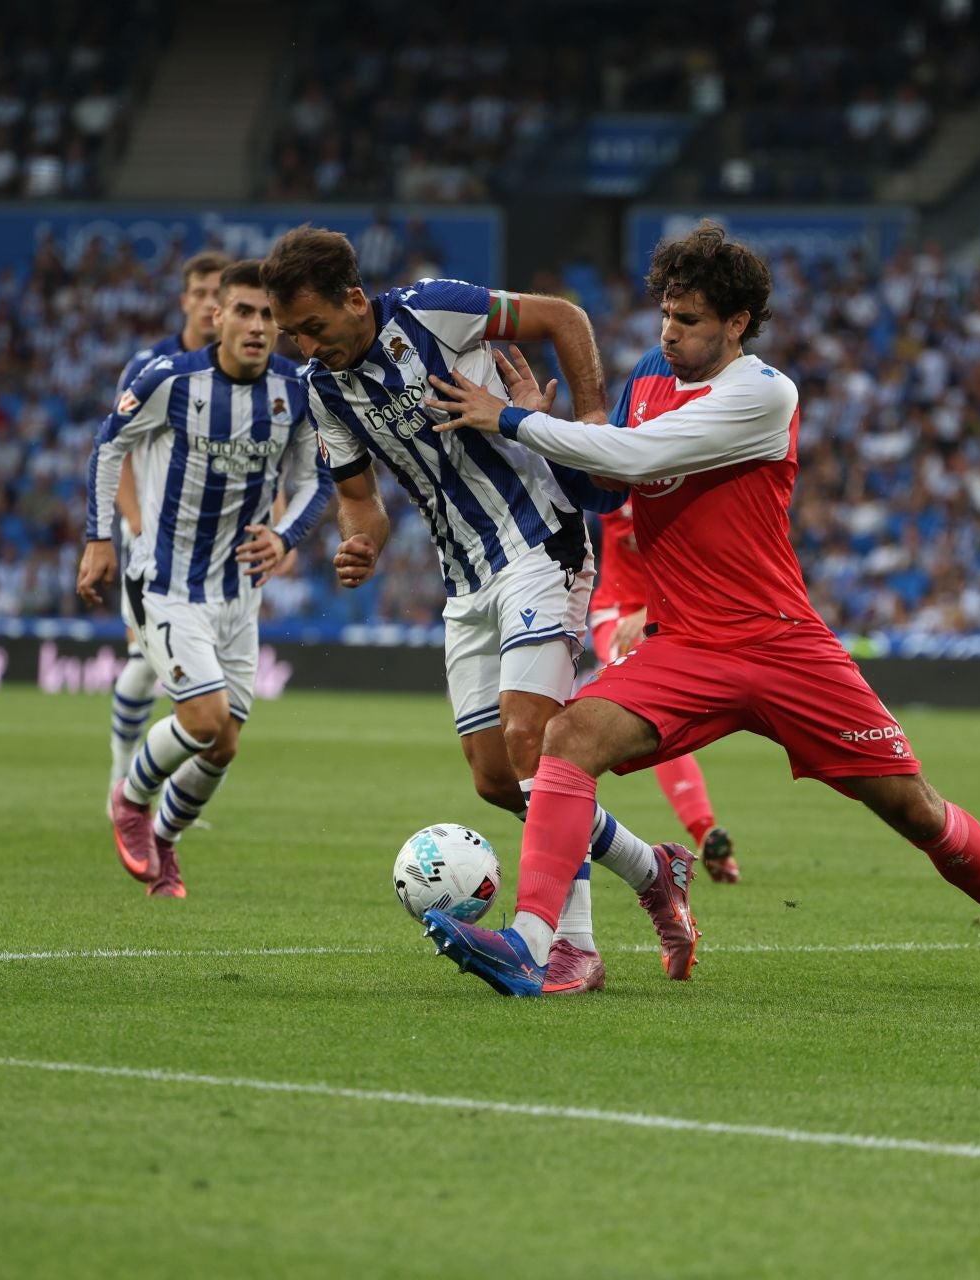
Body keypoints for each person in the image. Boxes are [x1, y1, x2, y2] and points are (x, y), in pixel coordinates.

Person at [419, 221, 980, 997]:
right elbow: (606, 490)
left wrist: (517, 421)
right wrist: (542, 431)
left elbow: (639, 455)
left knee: (915, 809)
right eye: (665, 313)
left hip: (784, 646)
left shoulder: (764, 393)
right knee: (566, 737)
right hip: (686, 644)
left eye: (688, 321)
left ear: (737, 324)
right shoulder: (650, 375)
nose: (668, 332)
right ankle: (533, 944)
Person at [260, 225, 693, 997]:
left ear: (354, 300)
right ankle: (653, 869)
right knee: (498, 780)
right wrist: (359, 545)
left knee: (538, 740)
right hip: (464, 582)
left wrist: (591, 425)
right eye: (292, 333)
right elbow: (362, 504)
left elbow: (563, 317)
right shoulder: (323, 390)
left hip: (541, 544)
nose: (302, 345)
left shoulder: (435, 311)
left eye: (312, 327)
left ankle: (572, 949)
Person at [77, 260, 332, 897]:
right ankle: (130, 800)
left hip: (239, 594)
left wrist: (284, 536)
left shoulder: (297, 391)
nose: (256, 325)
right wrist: (100, 537)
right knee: (203, 718)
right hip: (166, 582)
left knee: (224, 747)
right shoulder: (168, 379)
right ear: (215, 315)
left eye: (268, 314)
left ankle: (164, 841)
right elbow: (110, 446)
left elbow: (315, 480)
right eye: (242, 311)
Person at [104, 250, 230, 802]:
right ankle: (121, 780)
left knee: (212, 690)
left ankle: (166, 797)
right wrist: (132, 525)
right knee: (141, 659)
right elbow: (120, 449)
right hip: (151, 546)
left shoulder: (246, 372)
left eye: (219, 295)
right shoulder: (150, 366)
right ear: (185, 300)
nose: (210, 304)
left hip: (217, 550)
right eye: (201, 293)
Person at [591, 488, 738, 881]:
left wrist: (651, 608)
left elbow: (703, 561)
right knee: (653, 709)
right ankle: (704, 832)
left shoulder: (688, 487)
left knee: (661, 717)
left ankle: (704, 837)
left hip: (674, 610)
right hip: (617, 614)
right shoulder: (615, 477)